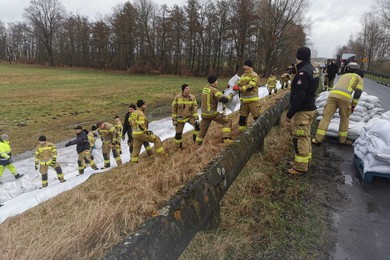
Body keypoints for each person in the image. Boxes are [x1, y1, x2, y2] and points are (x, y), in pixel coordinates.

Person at [286, 47, 319, 175]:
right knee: (306, 136)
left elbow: (299, 96)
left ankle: (300, 167)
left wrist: (290, 113)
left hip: (303, 110)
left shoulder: (303, 73)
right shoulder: (313, 69)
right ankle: (304, 161)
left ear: (298, 57)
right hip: (310, 108)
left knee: (300, 138)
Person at [312, 70, 364, 145]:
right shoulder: (359, 78)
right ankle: (342, 140)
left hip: (332, 95)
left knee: (326, 117)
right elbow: (357, 94)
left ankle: (318, 139)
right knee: (344, 119)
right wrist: (353, 105)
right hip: (345, 98)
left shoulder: (345, 75)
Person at [196, 75, 234, 145]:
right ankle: (226, 139)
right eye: (216, 80)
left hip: (204, 114)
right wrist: (231, 95)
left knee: (202, 130)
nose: (217, 82)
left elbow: (214, 96)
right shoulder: (214, 90)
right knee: (227, 121)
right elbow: (224, 100)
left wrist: (222, 93)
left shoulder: (205, 88)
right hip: (212, 113)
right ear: (214, 82)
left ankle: (197, 143)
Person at [233, 60, 261, 132]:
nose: (244, 67)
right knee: (242, 118)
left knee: (257, 118)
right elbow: (238, 83)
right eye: (244, 65)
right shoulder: (243, 75)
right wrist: (234, 86)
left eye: (246, 65)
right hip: (244, 101)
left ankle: (259, 132)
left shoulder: (255, 75)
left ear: (250, 66)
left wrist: (240, 88)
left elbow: (251, 86)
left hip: (253, 102)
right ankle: (242, 133)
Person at [172, 84, 200, 149]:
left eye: (189, 88)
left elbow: (194, 108)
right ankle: (178, 148)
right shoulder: (177, 97)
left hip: (189, 117)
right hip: (180, 119)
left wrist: (196, 119)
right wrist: (174, 120)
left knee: (198, 126)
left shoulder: (192, 97)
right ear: (183, 90)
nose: (188, 89)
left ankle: (196, 142)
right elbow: (174, 109)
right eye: (186, 88)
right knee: (178, 133)